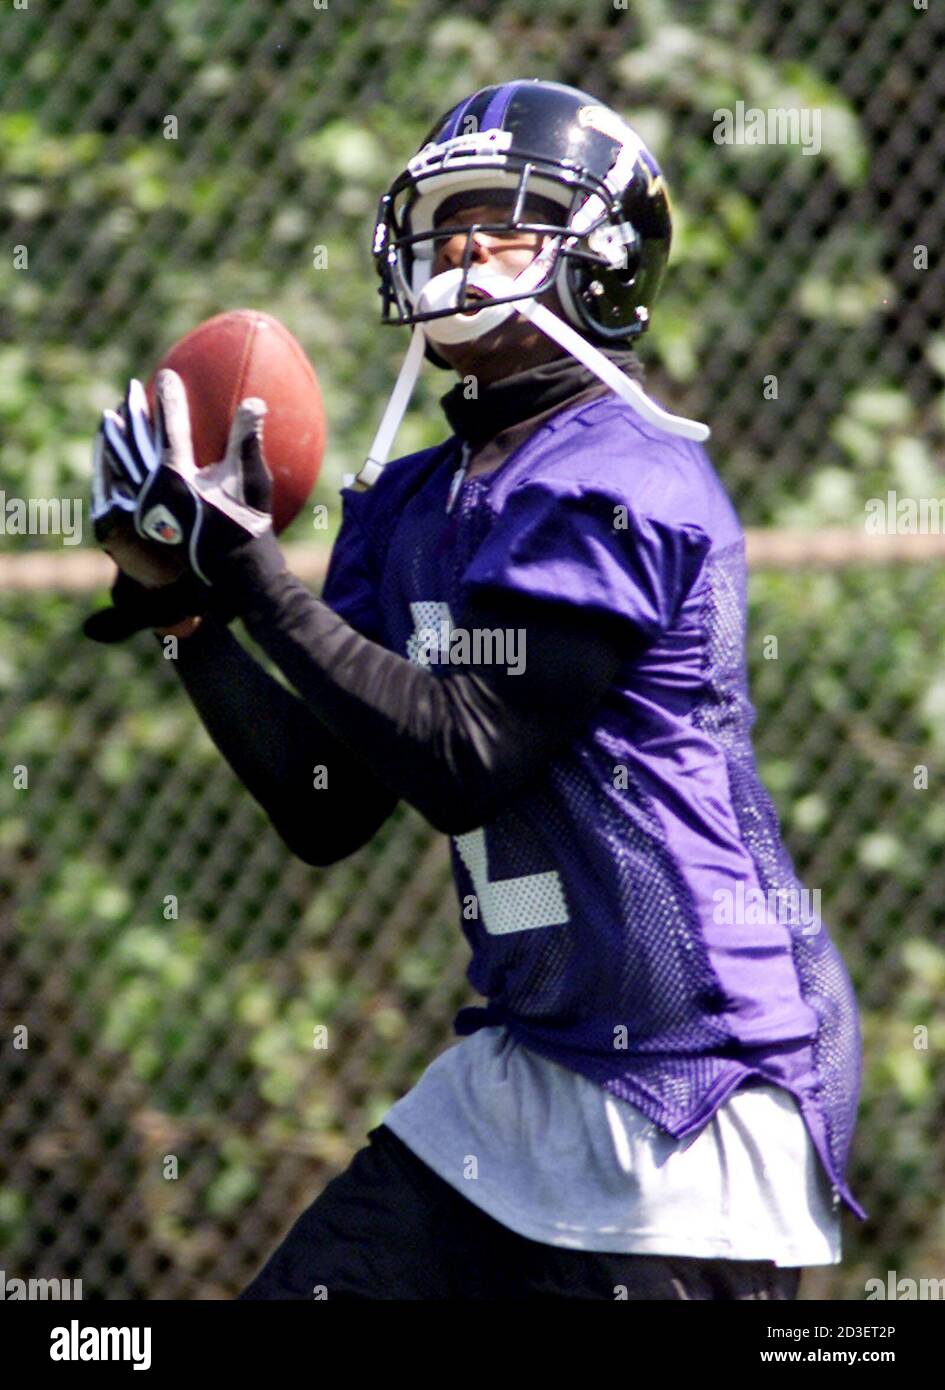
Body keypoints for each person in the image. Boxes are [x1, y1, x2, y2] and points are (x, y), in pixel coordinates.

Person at [85, 78, 864, 1301]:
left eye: (504, 217)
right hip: (520, 1079)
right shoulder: (407, 505)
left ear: (602, 259)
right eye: (448, 220)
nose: (461, 245)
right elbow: (326, 800)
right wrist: (190, 615)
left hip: (690, 1089)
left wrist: (249, 575)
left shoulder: (623, 477)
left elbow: (466, 759)